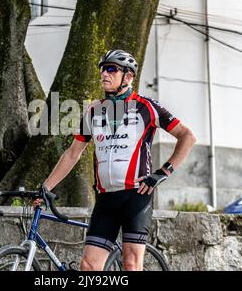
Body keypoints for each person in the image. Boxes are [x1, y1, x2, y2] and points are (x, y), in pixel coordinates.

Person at [36, 50, 196, 271]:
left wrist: (162, 173)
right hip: (106, 199)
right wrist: (45, 187)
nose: (104, 74)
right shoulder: (93, 111)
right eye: (102, 68)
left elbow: (187, 136)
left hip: (136, 196)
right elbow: (73, 153)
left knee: (130, 264)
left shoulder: (146, 107)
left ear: (128, 76)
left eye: (111, 69)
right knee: (89, 266)